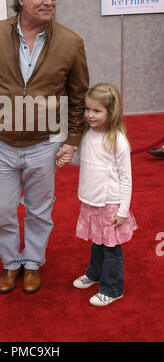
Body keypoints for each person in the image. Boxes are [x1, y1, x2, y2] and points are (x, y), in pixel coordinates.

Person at [0, 0, 89, 294]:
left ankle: (31, 264)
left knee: (40, 210)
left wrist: (72, 140)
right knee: (0, 211)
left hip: (45, 143)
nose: (49, 1)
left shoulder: (71, 42)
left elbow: (80, 96)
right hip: (0, 142)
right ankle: (10, 264)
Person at [58, 83, 137, 306]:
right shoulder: (86, 134)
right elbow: (80, 161)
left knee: (111, 248)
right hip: (91, 200)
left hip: (110, 203)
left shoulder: (117, 141)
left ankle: (113, 288)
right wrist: (65, 156)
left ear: (111, 113)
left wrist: (122, 210)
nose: (90, 115)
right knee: (97, 242)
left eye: (96, 111)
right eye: (87, 109)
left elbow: (127, 178)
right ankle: (95, 274)